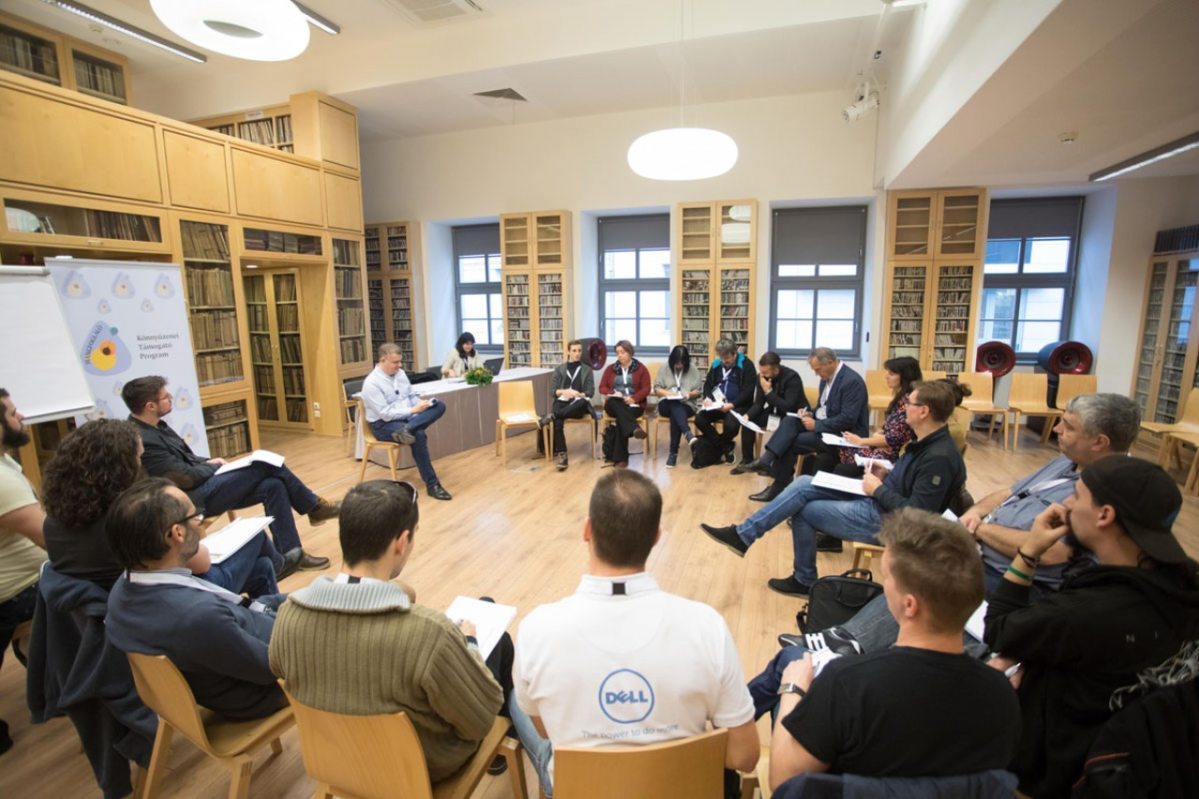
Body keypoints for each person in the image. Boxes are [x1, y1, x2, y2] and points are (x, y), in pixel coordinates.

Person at [780, 392, 1145, 658]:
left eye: (1069, 426)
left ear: (1099, 442)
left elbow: (1051, 553)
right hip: (983, 546)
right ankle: (846, 640)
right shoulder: (1065, 463)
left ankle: (848, 646)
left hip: (1013, 576)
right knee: (914, 564)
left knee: (927, 573)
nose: (1058, 429)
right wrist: (976, 514)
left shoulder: (1109, 490)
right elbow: (1008, 491)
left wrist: (978, 530)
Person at [511, 470, 759, 798]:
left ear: (587, 530)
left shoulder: (536, 630)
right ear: (656, 537)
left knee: (517, 700)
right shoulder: (706, 626)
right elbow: (743, 756)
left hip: (581, 789)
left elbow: (548, 730)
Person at [984, 456, 1199, 798]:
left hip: (1057, 772)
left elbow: (998, 630)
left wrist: (1030, 550)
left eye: (1077, 495)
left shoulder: (1085, 611)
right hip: (1145, 762)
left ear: (1105, 515)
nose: (1066, 504)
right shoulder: (1186, 585)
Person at [270, 480, 510, 783]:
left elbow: (279, 668)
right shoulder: (429, 633)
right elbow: (480, 720)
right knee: (496, 634)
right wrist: (470, 642)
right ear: (402, 542)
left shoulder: (288, 616)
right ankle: (505, 750)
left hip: (335, 760)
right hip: (419, 770)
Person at [767, 509, 1020, 791]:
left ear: (909, 605)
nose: (884, 586)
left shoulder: (848, 683)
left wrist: (792, 690)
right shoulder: (1002, 695)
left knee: (790, 666)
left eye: (886, 577)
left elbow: (785, 783)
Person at [702, 380, 965, 596]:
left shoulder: (938, 457)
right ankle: (747, 536)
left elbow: (919, 514)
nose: (904, 407)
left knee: (804, 508)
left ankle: (795, 573)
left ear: (924, 411)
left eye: (910, 403)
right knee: (804, 483)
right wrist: (887, 475)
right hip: (879, 499)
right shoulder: (926, 443)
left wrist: (878, 490)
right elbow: (910, 485)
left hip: (890, 522)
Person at [105, 478, 286, 720]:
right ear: (177, 533)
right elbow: (272, 667)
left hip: (236, 652)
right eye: (195, 517)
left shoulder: (125, 587)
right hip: (263, 689)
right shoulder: (196, 616)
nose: (200, 523)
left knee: (302, 590)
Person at [41, 418, 282, 598]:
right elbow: (201, 563)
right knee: (255, 537)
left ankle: (265, 616)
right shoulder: (132, 516)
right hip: (164, 601)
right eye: (138, 459)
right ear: (121, 468)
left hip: (116, 607)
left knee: (261, 568)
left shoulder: (53, 522)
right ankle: (279, 590)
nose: (142, 467)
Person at [123, 375, 333, 577]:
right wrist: (213, 467)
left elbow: (188, 459)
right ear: (150, 406)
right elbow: (184, 477)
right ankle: (314, 507)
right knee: (264, 464)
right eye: (165, 397)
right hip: (190, 501)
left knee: (274, 485)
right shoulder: (145, 439)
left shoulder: (157, 425)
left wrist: (209, 461)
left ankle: (291, 554)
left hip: (201, 487)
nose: (170, 398)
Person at [738, 347, 868, 503]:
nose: (816, 374)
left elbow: (848, 419)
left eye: (818, 369)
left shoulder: (851, 382)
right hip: (826, 428)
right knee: (789, 420)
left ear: (831, 362)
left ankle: (778, 484)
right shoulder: (826, 378)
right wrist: (810, 413)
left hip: (844, 437)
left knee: (790, 441)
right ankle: (767, 462)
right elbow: (823, 408)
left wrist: (817, 425)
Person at [0, 388, 48, 755]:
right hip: (16, 592)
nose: (22, 418)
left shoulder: (6, 462)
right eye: (13, 414)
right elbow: (55, 542)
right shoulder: (2, 481)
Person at [362, 343, 452, 500]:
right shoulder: (371, 383)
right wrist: (412, 410)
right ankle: (433, 485)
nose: (400, 365)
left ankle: (408, 428)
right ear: (383, 360)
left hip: (406, 419)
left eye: (400, 361)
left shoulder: (401, 374)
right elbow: (385, 414)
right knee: (418, 435)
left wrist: (421, 404)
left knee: (439, 406)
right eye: (395, 362)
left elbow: (410, 396)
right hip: (383, 425)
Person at [832, 356, 921, 476]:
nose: (886, 376)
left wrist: (861, 441)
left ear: (905, 377)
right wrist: (878, 433)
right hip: (882, 447)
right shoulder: (900, 398)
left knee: (842, 462)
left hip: (890, 454)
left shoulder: (908, 402)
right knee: (837, 451)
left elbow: (893, 439)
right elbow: (888, 427)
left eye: (891, 374)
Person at [730, 351, 809, 475]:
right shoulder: (761, 377)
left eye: (765, 372)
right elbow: (759, 404)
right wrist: (747, 415)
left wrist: (768, 392)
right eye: (761, 371)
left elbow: (788, 407)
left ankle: (773, 466)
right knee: (748, 423)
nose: (762, 375)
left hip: (792, 416)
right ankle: (747, 460)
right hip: (774, 412)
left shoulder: (792, 378)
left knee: (785, 427)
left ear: (776, 370)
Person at [694, 338, 757, 467]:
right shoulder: (716, 364)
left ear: (735, 353)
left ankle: (719, 446)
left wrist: (732, 404)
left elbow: (748, 391)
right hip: (717, 404)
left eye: (727, 358)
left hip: (737, 405)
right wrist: (707, 398)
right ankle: (725, 446)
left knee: (731, 426)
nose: (724, 361)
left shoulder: (747, 365)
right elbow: (708, 384)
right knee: (699, 419)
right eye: (722, 357)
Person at [538, 339, 597, 471]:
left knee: (583, 401)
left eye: (579, 351)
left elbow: (590, 392)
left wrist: (579, 394)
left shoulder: (587, 370)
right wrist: (564, 391)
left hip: (578, 403)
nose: (577, 353)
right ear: (568, 352)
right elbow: (553, 391)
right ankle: (563, 455)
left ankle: (553, 415)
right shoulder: (559, 369)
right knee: (558, 422)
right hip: (563, 401)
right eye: (574, 351)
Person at [597, 340, 650, 468]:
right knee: (616, 404)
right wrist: (613, 393)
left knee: (622, 419)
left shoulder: (641, 368)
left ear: (630, 352)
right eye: (617, 353)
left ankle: (621, 459)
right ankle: (634, 428)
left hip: (634, 405)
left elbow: (646, 388)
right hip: (614, 403)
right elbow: (602, 387)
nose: (619, 355)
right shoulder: (610, 369)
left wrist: (634, 398)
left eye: (622, 352)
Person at [651, 344, 703, 468]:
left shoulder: (693, 370)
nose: (679, 366)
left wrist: (688, 394)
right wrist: (668, 393)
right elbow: (657, 389)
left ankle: (673, 453)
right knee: (674, 404)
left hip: (687, 404)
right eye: (676, 363)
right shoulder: (664, 368)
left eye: (682, 363)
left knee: (676, 413)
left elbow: (699, 391)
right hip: (666, 403)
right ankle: (687, 433)